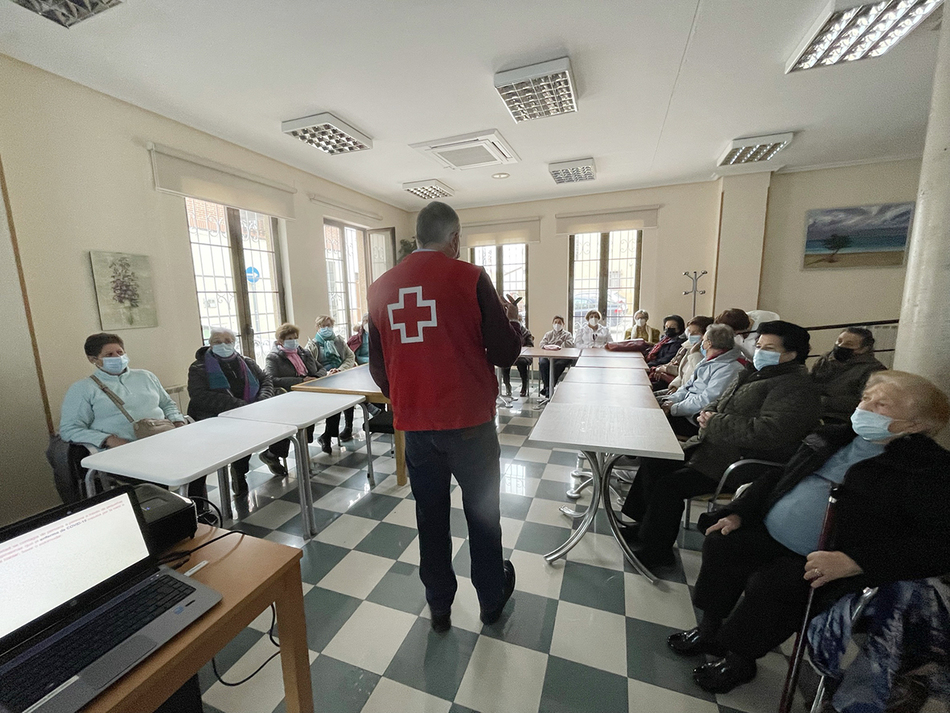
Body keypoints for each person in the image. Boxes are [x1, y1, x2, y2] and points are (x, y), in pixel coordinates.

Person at [668, 371, 950, 696]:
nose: (865, 407)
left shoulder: (928, 471)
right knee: (722, 542)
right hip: (771, 531)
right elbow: (778, 477)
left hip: (831, 559)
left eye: (881, 404)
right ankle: (709, 629)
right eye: (866, 399)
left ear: (915, 424)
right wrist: (739, 511)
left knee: (772, 585)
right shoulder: (833, 437)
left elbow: (939, 544)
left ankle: (739, 658)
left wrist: (854, 561)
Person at [367, 200, 521, 633]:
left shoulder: (378, 287)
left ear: (417, 236)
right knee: (483, 515)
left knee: (429, 517)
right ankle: (491, 599)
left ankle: (439, 605)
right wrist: (514, 320)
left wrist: (410, 396)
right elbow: (506, 353)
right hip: (469, 423)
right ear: (454, 238)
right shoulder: (470, 277)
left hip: (415, 428)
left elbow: (379, 368)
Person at [620, 320, 820, 569]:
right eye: (759, 345)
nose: (759, 351)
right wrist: (709, 413)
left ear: (791, 354)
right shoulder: (752, 374)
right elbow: (719, 401)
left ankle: (657, 550)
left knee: (669, 485)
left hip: (740, 462)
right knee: (655, 459)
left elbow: (769, 432)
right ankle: (644, 526)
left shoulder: (796, 388)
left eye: (769, 348)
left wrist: (716, 421)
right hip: (712, 447)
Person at [60, 332, 190, 494]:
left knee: (198, 463)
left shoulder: (145, 376)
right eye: (109, 355)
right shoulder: (83, 389)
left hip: (161, 440)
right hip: (124, 452)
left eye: (120, 352)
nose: (117, 357)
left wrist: (178, 423)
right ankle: (168, 511)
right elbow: (68, 429)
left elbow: (167, 404)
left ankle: (197, 509)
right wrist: (108, 440)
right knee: (158, 477)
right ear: (93, 359)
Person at [187, 327, 285, 495]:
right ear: (210, 344)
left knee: (283, 421)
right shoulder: (199, 367)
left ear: (234, 343)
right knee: (241, 438)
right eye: (217, 342)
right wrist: (237, 404)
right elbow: (199, 395)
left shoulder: (246, 362)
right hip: (217, 416)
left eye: (227, 341)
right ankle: (239, 473)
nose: (223, 345)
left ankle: (271, 454)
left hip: (252, 410)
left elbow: (265, 379)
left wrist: (263, 398)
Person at [660, 324, 745, 438]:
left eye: (703, 340)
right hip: (682, 409)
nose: (701, 343)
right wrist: (670, 400)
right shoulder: (706, 361)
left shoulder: (730, 368)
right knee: (649, 406)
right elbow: (687, 386)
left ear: (708, 343)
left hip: (694, 418)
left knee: (652, 422)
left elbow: (707, 399)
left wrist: (674, 408)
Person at [264, 322, 327, 460]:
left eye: (295, 338)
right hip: (289, 395)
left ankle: (321, 438)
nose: (293, 341)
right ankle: (273, 454)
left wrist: (315, 377)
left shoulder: (304, 353)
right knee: (293, 422)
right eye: (289, 339)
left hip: (311, 391)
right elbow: (271, 379)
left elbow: (321, 368)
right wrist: (300, 381)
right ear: (280, 340)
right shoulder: (273, 357)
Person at [811, 327, 886, 424]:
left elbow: (865, 402)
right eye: (839, 341)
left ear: (864, 349)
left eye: (848, 344)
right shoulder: (825, 359)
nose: (840, 346)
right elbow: (811, 381)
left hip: (842, 419)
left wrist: (824, 401)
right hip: (813, 412)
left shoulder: (874, 370)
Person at [306, 315, 357, 453]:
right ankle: (327, 436)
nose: (326, 328)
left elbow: (350, 357)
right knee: (334, 401)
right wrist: (326, 373)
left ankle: (345, 429)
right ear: (317, 328)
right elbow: (310, 366)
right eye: (323, 326)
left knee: (349, 394)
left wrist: (339, 369)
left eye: (329, 325)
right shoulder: (312, 346)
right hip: (323, 379)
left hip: (341, 374)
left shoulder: (339, 341)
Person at [652, 315, 713, 391]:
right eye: (690, 331)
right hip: (679, 388)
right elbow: (682, 373)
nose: (691, 335)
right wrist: (674, 386)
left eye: (695, 333)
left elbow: (694, 376)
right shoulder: (687, 346)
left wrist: (665, 369)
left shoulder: (703, 353)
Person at [538, 315, 575, 397]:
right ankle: (548, 387)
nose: (557, 324)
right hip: (548, 356)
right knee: (543, 363)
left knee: (557, 365)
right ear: (552, 324)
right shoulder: (548, 334)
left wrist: (561, 343)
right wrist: (551, 346)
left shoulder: (567, 334)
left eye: (559, 322)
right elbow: (542, 344)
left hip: (562, 357)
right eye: (555, 322)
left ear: (563, 324)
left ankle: (548, 387)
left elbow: (571, 345)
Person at [502, 306, 533, 398]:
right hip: (511, 355)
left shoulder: (526, 332)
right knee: (505, 363)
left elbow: (530, 346)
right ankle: (507, 386)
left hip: (523, 356)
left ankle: (524, 387)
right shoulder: (508, 331)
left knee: (521, 362)